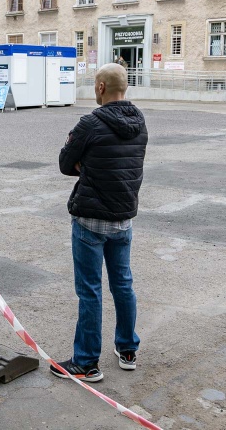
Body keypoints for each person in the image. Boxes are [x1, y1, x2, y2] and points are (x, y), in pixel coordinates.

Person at [54, 63, 148, 383]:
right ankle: (128, 349)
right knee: (123, 284)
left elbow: (66, 163)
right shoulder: (140, 122)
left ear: (100, 87)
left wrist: (89, 167)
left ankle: (86, 362)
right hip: (123, 219)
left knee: (90, 290)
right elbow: (127, 167)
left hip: (90, 220)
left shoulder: (90, 123)